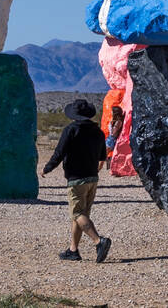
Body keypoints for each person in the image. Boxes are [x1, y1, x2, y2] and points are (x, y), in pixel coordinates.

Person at [42, 99, 112, 263]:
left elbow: (59, 152)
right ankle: (73, 250)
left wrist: (47, 168)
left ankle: (98, 241)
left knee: (77, 213)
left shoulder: (71, 130)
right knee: (81, 215)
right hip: (92, 178)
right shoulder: (98, 132)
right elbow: (103, 156)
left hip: (76, 178)